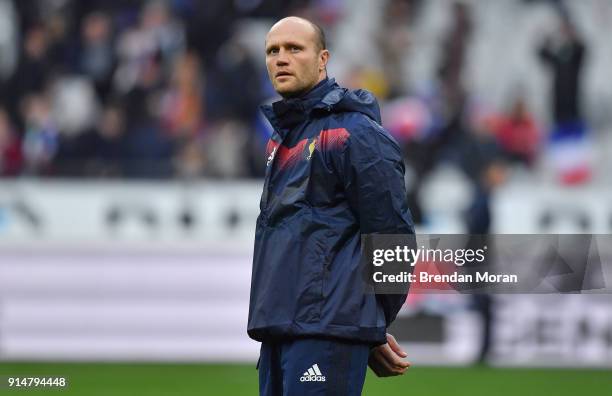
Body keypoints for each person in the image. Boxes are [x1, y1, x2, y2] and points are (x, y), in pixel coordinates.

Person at [247, 16, 415, 395]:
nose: (281, 58)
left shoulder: (354, 134)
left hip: (327, 331)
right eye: (273, 51)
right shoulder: (281, 141)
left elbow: (392, 237)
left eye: (294, 48)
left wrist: (370, 324)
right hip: (279, 329)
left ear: (323, 59)